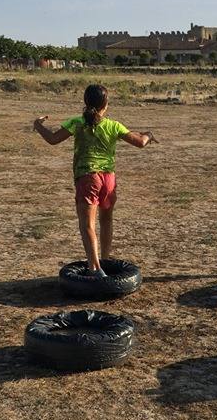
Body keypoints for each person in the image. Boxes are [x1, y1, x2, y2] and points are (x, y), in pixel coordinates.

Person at [33, 84, 156, 277]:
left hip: (88, 178)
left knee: (87, 225)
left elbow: (53, 139)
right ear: (105, 104)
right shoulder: (113, 125)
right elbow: (140, 142)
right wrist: (149, 134)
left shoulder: (77, 122)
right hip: (108, 179)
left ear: (85, 102)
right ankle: (105, 259)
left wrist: (38, 125)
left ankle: (95, 268)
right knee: (106, 220)